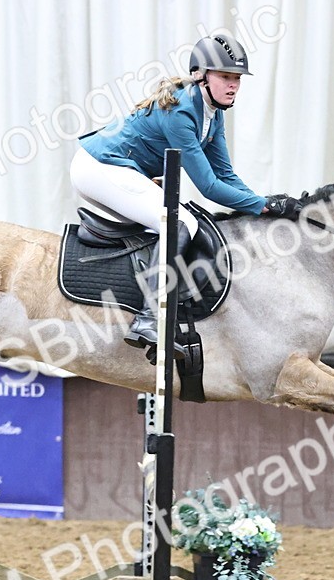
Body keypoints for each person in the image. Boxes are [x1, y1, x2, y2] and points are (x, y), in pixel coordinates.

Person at [71, 34, 300, 352]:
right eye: (225, 77)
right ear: (200, 76)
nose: (233, 85)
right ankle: (148, 320)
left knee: (175, 221)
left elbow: (226, 175)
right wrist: (261, 206)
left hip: (117, 168)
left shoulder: (213, 112)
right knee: (182, 224)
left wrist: (264, 203)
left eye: (237, 78)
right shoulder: (181, 110)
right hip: (99, 167)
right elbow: (208, 187)